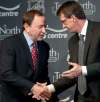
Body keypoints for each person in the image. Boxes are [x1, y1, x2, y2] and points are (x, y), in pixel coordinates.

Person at [32, 1, 100, 102]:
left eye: (64, 21)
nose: (63, 26)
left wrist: (83, 70)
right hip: (81, 98)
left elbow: (79, 70)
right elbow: (72, 74)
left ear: (73, 18)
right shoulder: (72, 41)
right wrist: (48, 88)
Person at [0, 9, 58, 102]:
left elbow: (43, 78)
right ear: (27, 27)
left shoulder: (44, 47)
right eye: (40, 27)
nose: (44, 31)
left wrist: (54, 99)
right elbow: (6, 73)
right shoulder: (9, 43)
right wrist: (32, 87)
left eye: (45, 26)